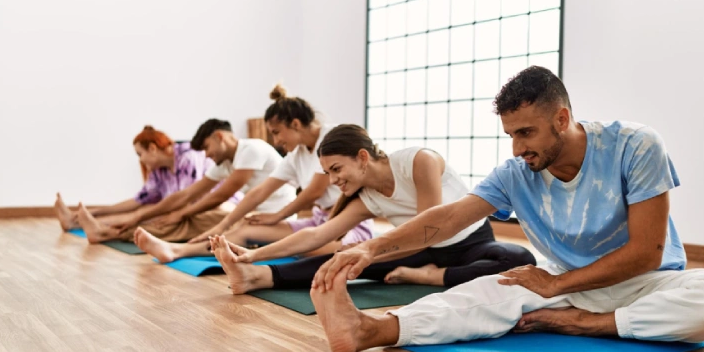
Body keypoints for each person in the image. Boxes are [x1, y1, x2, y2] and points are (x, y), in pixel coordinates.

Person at [307, 66, 704, 352]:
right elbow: (445, 219)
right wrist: (371, 249)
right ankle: (371, 330)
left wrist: (567, 295)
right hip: (569, 285)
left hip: (649, 283)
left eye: (526, 132)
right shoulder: (515, 172)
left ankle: (596, 326)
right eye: (510, 135)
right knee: (482, 295)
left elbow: (647, 253)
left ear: (562, 119)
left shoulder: (634, 145)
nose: (518, 148)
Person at [204, 124, 536, 294]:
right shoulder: (367, 196)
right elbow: (316, 234)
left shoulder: (418, 161)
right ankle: (258, 278)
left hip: (469, 244)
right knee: (342, 256)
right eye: (328, 173)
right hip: (414, 251)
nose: (333, 180)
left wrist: (368, 249)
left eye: (337, 169)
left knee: (518, 259)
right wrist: (252, 256)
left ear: (362, 157)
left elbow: (428, 228)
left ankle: (435, 278)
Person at [134, 85, 374, 262]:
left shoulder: (329, 138)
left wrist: (277, 215)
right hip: (318, 221)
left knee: (303, 247)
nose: (277, 141)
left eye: (277, 133)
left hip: (347, 223)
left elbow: (314, 191)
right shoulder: (297, 154)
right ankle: (176, 250)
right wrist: (222, 226)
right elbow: (259, 192)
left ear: (296, 125)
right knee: (244, 232)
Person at [74, 119, 295, 243]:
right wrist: (139, 216)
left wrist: (180, 213)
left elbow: (221, 195)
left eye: (207, 148)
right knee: (181, 219)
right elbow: (186, 195)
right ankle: (110, 231)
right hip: (251, 216)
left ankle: (108, 233)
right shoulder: (226, 163)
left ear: (219, 137)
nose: (206, 156)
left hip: (270, 218)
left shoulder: (251, 149)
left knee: (187, 220)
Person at [54, 125, 241, 238]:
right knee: (144, 210)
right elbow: (138, 201)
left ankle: (104, 232)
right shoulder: (159, 170)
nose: (140, 160)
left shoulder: (188, 157)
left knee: (157, 215)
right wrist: (92, 212)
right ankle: (76, 220)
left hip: (217, 208)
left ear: (152, 148)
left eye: (140, 154)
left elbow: (184, 201)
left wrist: (140, 217)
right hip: (191, 207)